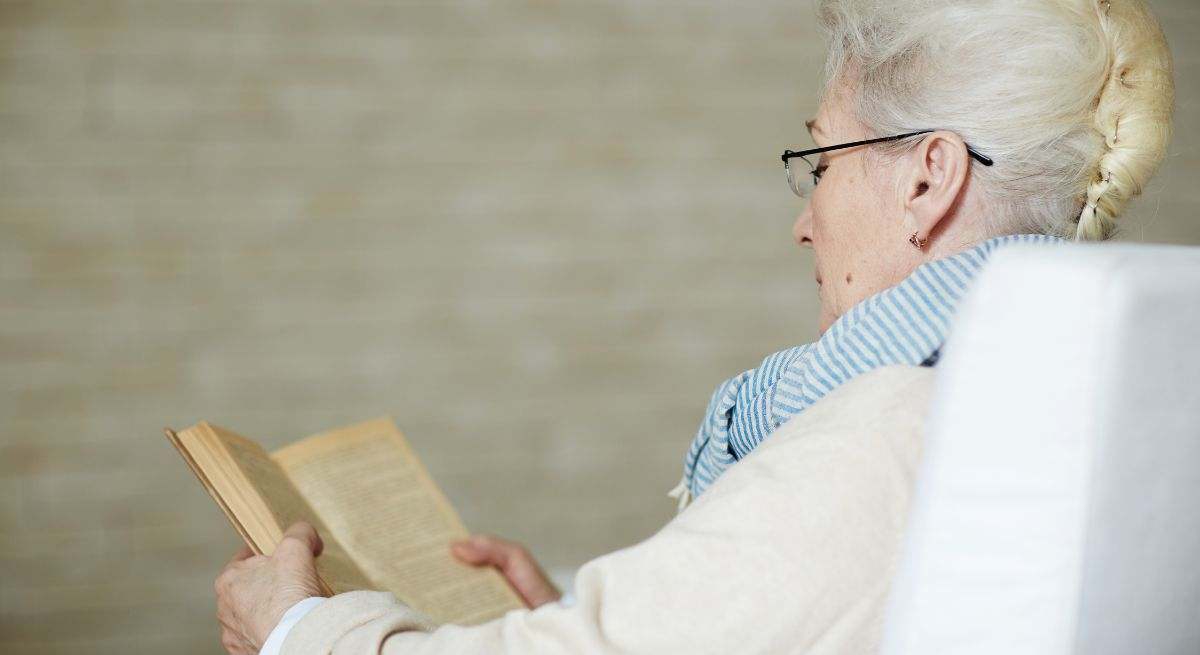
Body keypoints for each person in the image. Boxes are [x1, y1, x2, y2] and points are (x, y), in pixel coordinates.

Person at [212, 0, 1175, 653]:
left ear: (928, 177)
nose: (804, 218)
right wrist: (574, 615)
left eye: (823, 162)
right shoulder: (1072, 401)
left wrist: (298, 627)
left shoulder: (897, 427)